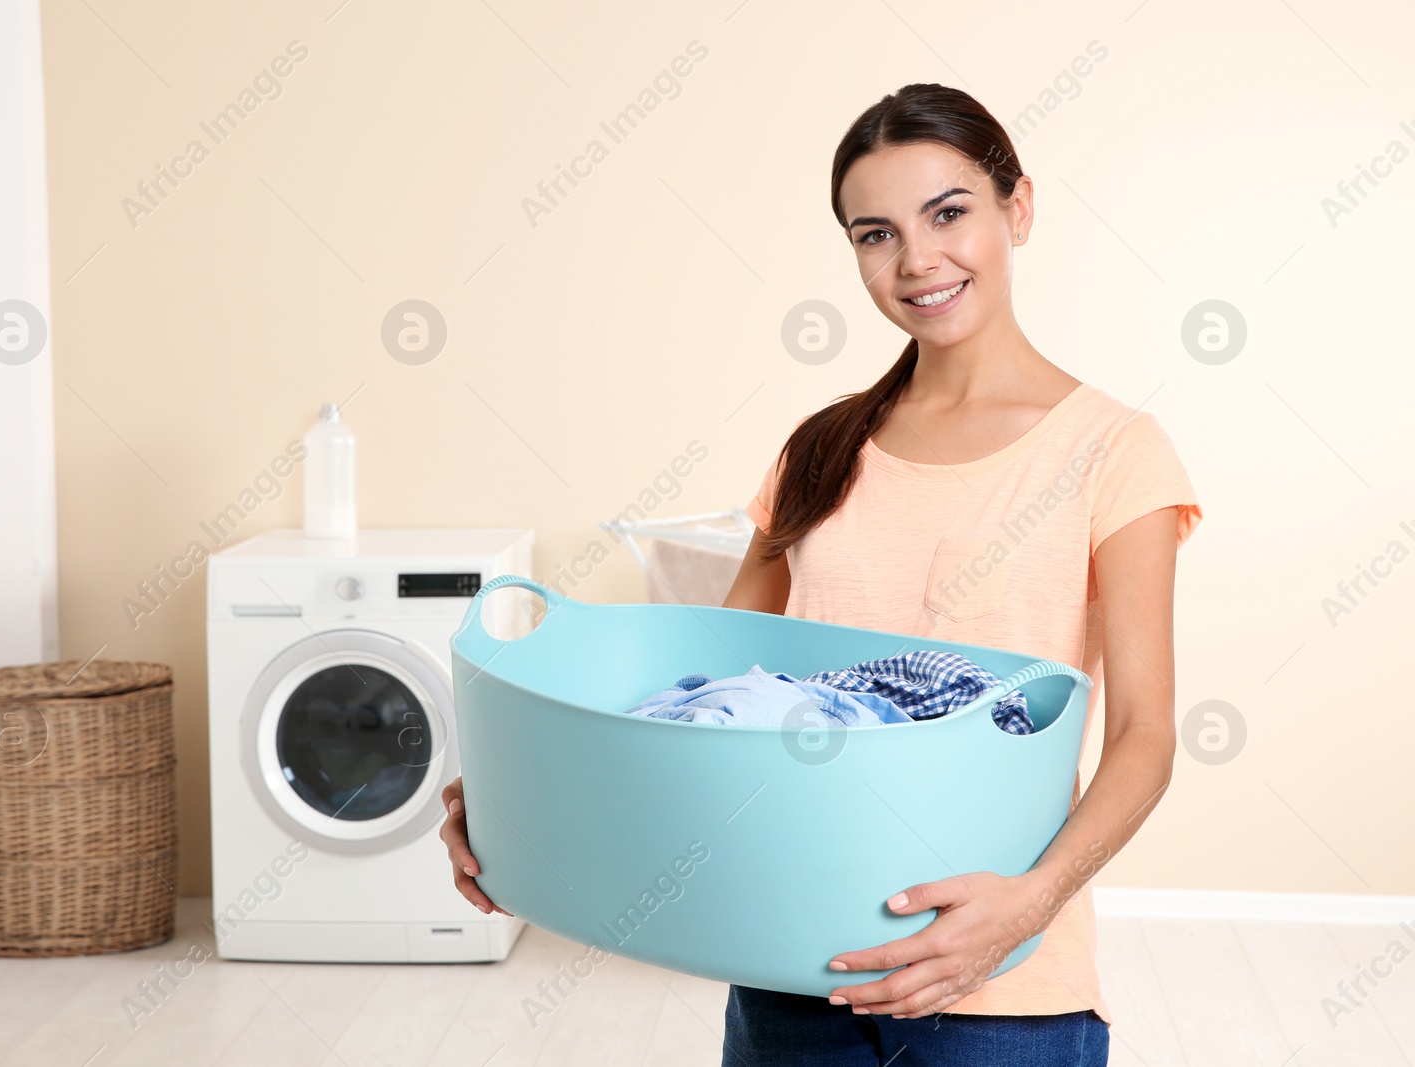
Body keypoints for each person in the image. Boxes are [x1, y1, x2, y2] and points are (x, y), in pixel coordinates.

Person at [441, 81, 1202, 1066]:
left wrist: (1027, 900)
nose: (917, 260)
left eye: (948, 213)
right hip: (790, 978)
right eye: (874, 233)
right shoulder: (821, 450)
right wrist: (517, 798)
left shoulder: (1114, 452)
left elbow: (1143, 735)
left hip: (1004, 992)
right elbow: (702, 704)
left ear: (1016, 206)